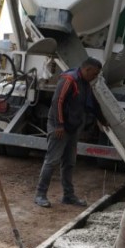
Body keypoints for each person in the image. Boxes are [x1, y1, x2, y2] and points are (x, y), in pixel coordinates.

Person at [34, 57, 104, 208]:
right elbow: (57, 102)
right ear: (87, 69)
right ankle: (40, 194)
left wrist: (102, 120)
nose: (95, 77)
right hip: (59, 127)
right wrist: (59, 125)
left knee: (69, 162)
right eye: (94, 73)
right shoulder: (69, 80)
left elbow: (92, 103)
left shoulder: (85, 83)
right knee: (52, 161)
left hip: (73, 127)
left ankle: (68, 195)